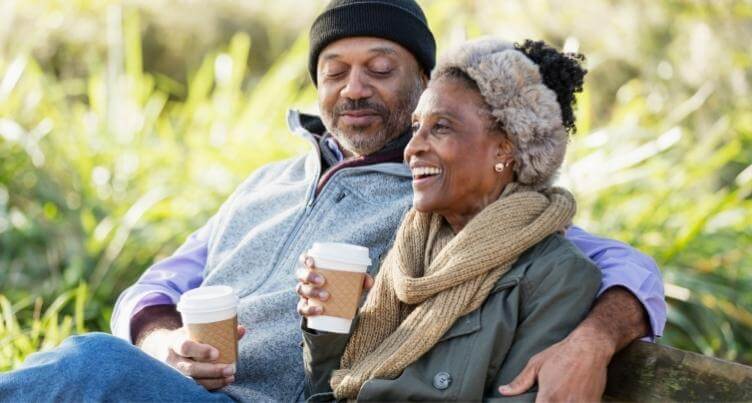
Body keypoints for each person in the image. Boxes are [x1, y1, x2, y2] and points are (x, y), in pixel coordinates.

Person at [0, 1, 665, 401]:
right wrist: (163, 337)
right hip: (175, 388)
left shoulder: (444, 195)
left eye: (381, 68)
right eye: (335, 71)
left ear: (425, 84)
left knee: (91, 365)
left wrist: (594, 340)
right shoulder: (265, 183)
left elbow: (604, 261)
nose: (355, 88)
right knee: (100, 361)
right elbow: (163, 281)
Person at [298, 36, 601, 402]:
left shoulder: (555, 274)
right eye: (415, 128)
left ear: (505, 148)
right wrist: (328, 321)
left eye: (440, 128)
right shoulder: (412, 246)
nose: (413, 148)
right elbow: (330, 386)